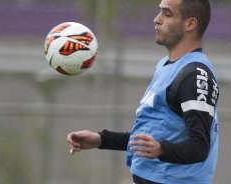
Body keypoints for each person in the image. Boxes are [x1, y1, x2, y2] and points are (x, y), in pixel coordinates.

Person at [67, 0, 219, 183]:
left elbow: (199, 147)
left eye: (167, 14)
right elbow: (152, 139)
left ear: (190, 24)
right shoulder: (165, 66)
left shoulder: (194, 75)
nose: (157, 19)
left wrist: (162, 149)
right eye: (159, 12)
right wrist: (101, 140)